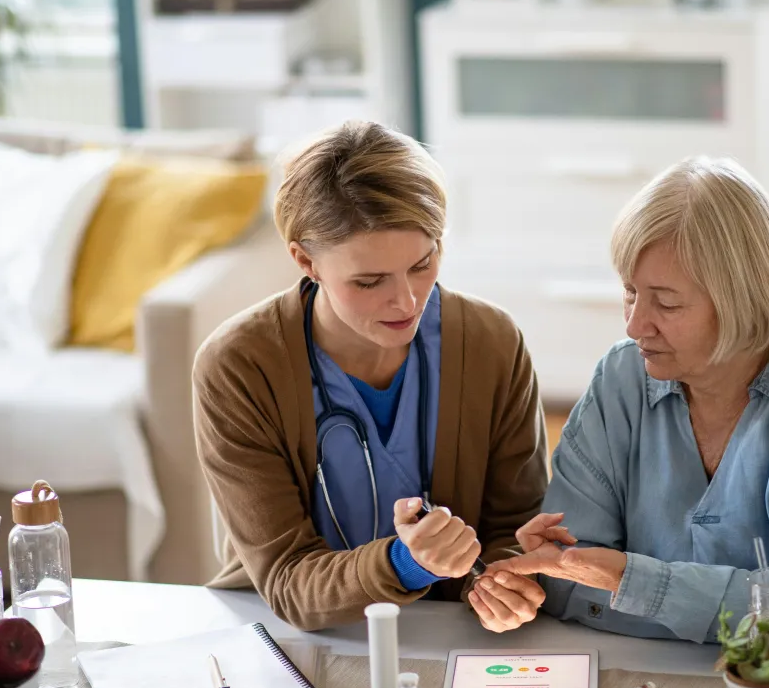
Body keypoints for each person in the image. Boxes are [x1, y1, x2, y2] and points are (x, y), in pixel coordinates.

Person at [483, 157, 769, 660]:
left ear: (742, 299)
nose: (636, 326)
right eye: (630, 293)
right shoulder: (620, 378)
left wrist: (627, 581)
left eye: (667, 303)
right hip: (697, 670)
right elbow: (569, 582)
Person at [193, 121, 549, 632]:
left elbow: (515, 525)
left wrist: (497, 582)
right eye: (368, 281)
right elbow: (286, 579)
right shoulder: (239, 367)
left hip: (447, 629)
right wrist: (405, 563)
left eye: (423, 264)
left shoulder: (492, 343)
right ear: (305, 260)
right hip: (289, 636)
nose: (406, 302)